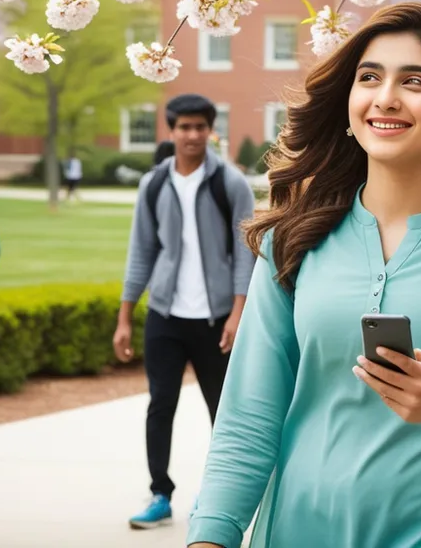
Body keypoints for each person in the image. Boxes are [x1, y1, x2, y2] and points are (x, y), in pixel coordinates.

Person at [185, 2, 421, 548]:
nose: (386, 97)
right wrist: (211, 536)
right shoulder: (293, 243)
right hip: (296, 531)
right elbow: (247, 419)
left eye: (414, 81)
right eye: (369, 78)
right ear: (350, 102)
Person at [113, 94, 257, 530]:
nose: (192, 135)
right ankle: (160, 494)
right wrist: (124, 317)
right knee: (161, 405)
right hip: (165, 316)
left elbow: (245, 252)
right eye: (184, 127)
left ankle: (215, 497)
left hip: (216, 320)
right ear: (171, 130)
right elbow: (141, 251)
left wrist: (237, 314)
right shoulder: (154, 184)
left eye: (200, 127)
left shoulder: (230, 183)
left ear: (209, 131)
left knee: (222, 410)